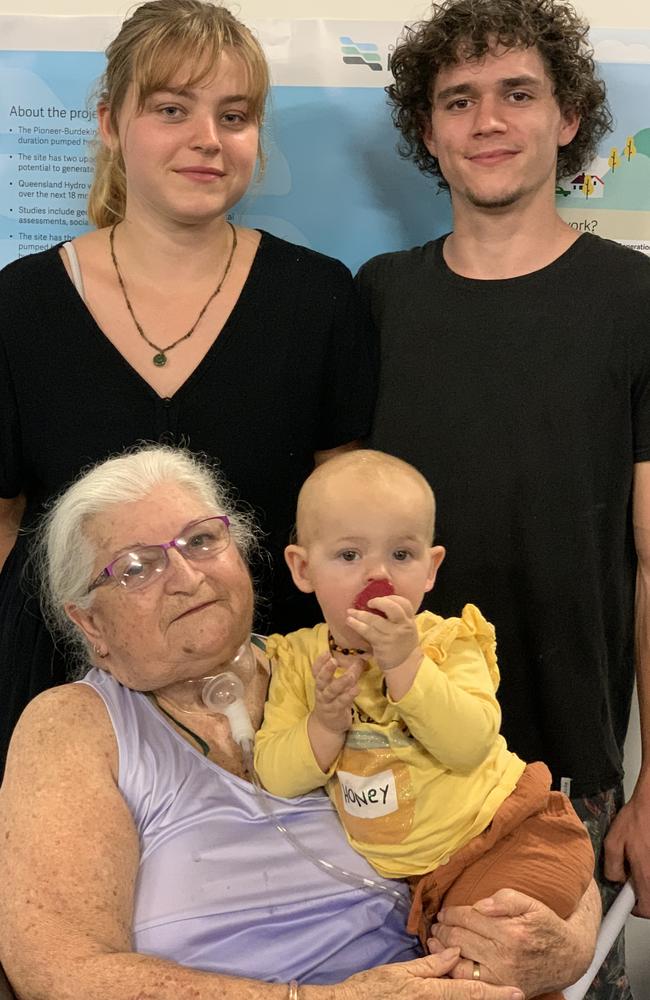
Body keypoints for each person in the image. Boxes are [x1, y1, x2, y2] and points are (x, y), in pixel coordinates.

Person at [0, 446, 600, 1000]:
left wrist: (569, 946)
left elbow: (510, 812)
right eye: (136, 567)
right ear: (90, 626)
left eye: (202, 540)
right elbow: (58, 972)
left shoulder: (347, 658)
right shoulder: (76, 726)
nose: (187, 576)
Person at [355, 0, 650, 995]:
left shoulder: (633, 300)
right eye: (457, 99)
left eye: (516, 93)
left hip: (568, 772)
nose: (486, 121)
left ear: (565, 117)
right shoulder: (376, 299)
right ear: (427, 130)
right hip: (389, 764)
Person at [0, 0, 374, 775]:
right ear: (110, 123)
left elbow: (344, 514)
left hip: (273, 717)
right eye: (172, 109)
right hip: (65, 702)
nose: (208, 139)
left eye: (234, 115)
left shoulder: (320, 300)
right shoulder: (21, 306)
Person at [255, 449, 594, 1000]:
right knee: (466, 976)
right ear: (302, 568)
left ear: (431, 568)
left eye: (402, 553)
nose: (378, 574)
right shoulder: (296, 662)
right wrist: (325, 722)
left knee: (481, 965)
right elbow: (276, 774)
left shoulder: (446, 643)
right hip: (425, 883)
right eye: (348, 554)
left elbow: (469, 744)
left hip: (513, 833)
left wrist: (405, 665)